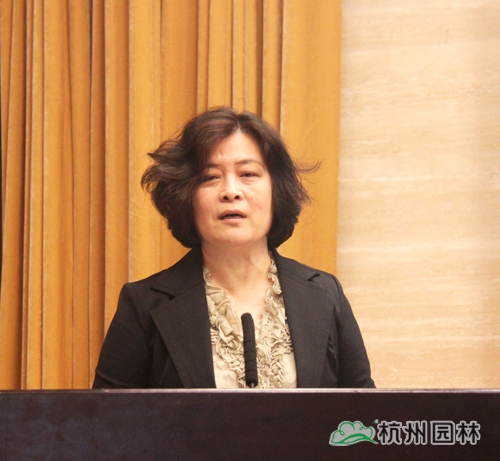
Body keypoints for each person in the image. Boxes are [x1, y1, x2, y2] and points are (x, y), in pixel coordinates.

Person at [93, 107, 375, 389]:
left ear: (277, 190)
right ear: (186, 197)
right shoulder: (143, 305)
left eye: (248, 174)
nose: (231, 191)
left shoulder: (325, 295)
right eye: (210, 177)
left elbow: (366, 411)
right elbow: (106, 415)